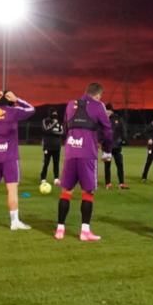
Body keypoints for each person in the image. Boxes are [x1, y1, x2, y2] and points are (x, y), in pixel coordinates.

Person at [56, 82, 114, 241]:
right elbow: (108, 130)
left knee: (66, 192)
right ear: (97, 95)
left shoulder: (70, 104)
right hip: (87, 153)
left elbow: (65, 126)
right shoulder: (98, 106)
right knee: (88, 193)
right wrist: (107, 149)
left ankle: (60, 229)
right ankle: (85, 231)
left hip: (70, 151)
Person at [0, 90, 35, 231]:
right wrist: (17, 99)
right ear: (10, 101)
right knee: (12, 189)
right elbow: (31, 109)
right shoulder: (13, 111)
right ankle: (14, 222)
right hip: (9, 157)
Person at [103, 104, 129, 190]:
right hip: (107, 147)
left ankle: (121, 183)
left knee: (120, 165)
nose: (106, 112)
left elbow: (123, 130)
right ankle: (108, 183)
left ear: (111, 111)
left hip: (117, 146)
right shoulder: (103, 119)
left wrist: (124, 140)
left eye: (108, 110)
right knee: (107, 166)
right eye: (105, 110)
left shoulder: (118, 119)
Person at [39, 109, 64, 181]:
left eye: (56, 114)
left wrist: (52, 132)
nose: (55, 115)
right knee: (46, 163)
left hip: (57, 147)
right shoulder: (45, 121)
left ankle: (56, 178)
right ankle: (43, 178)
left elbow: (62, 132)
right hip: (47, 146)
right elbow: (45, 130)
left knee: (56, 163)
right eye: (54, 114)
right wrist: (53, 124)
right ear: (50, 114)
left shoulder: (59, 123)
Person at [139, 117, 153, 181]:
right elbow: (145, 131)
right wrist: (149, 138)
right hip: (152, 147)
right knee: (149, 162)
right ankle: (144, 176)